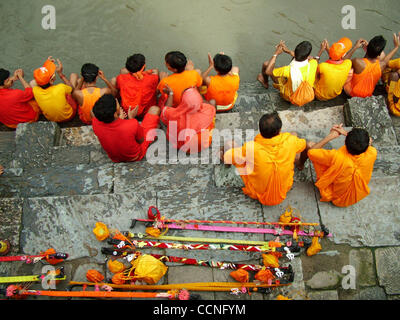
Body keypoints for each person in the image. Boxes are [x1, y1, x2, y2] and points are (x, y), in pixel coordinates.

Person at [222, 112, 310, 206]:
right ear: (280, 130)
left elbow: (229, 156)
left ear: (260, 131)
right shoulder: (290, 141)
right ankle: (300, 164)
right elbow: (307, 146)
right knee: (294, 134)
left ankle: (226, 166)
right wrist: (300, 162)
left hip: (256, 192)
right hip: (284, 188)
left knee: (229, 145)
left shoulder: (251, 148)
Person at [307, 125, 377, 207]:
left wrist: (331, 136)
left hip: (337, 199)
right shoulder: (372, 153)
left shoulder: (337, 157)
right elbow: (369, 141)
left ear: (345, 142)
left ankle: (300, 164)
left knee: (310, 144)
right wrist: (348, 134)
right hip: (357, 195)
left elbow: (311, 152)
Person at [91, 94, 160, 163]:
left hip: (115, 158)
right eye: (117, 104)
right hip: (135, 156)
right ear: (115, 114)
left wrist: (119, 119)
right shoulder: (132, 124)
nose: (119, 104)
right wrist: (131, 118)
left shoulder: (95, 123)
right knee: (154, 109)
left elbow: (92, 112)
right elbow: (141, 140)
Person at [258, 40, 321, 106]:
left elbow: (268, 71)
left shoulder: (287, 70)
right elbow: (313, 59)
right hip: (304, 94)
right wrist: (287, 51)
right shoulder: (313, 63)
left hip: (289, 96)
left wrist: (276, 53)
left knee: (266, 64)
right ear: (308, 56)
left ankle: (265, 83)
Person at [161, 86, 216, 154]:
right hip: (205, 143)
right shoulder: (209, 109)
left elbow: (164, 111)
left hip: (184, 147)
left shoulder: (173, 115)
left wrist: (171, 94)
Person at [343, 33, 400, 98]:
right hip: (367, 94)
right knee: (383, 56)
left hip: (351, 92)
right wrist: (396, 47)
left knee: (348, 66)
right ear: (378, 54)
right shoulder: (382, 65)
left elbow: (343, 62)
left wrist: (355, 47)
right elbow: (385, 59)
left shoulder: (356, 61)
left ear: (368, 48)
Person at [31, 56, 78, 123]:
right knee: (74, 75)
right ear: (52, 80)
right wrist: (60, 74)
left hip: (51, 119)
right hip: (69, 115)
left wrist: (46, 67)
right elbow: (72, 89)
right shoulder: (60, 88)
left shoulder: (35, 90)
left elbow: (34, 82)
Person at [112, 54, 159, 118]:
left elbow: (125, 72)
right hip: (145, 112)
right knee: (156, 73)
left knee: (119, 75)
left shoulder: (121, 78)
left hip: (126, 111)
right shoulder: (153, 78)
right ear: (143, 66)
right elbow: (154, 72)